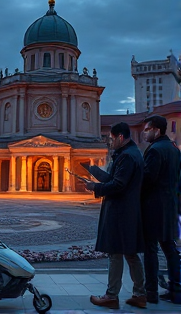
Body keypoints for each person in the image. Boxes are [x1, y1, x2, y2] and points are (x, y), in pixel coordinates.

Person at [85, 122, 147, 309]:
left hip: (121, 211)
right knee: (130, 253)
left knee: (115, 253)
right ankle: (140, 294)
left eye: (111, 139)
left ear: (120, 137)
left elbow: (119, 185)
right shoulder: (131, 154)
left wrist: (95, 187)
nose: (110, 142)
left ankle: (111, 295)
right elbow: (119, 180)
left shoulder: (127, 156)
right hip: (129, 210)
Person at [141, 115, 181, 304]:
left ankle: (151, 292)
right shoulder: (173, 149)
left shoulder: (155, 150)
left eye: (147, 129)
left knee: (150, 250)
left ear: (157, 130)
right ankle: (176, 290)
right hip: (170, 205)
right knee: (170, 248)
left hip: (154, 207)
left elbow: (148, 179)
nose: (144, 132)